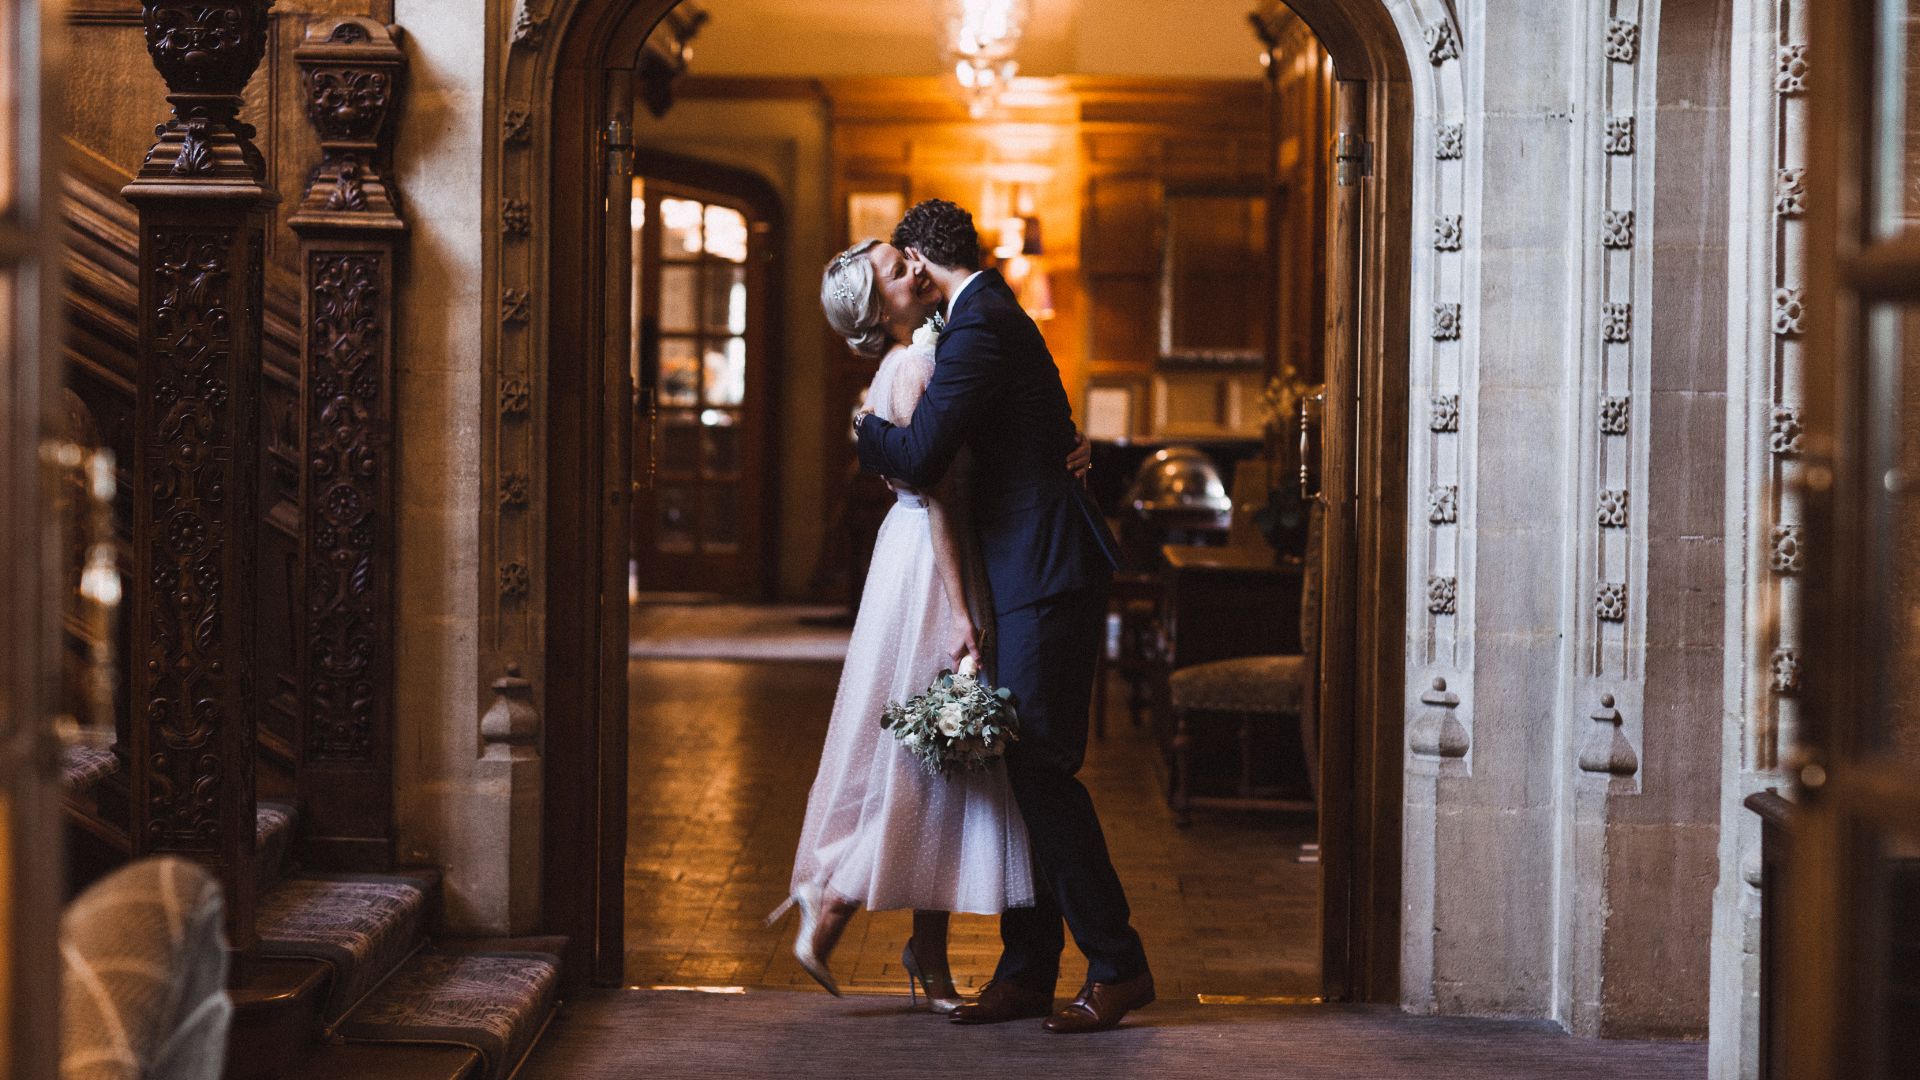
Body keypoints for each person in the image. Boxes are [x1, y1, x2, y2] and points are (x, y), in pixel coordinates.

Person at [855, 199, 1153, 1034]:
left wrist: (863, 428)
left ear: (917, 257)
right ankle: (1028, 971)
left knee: (1040, 768)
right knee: (1022, 766)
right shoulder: (977, 316)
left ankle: (1120, 964)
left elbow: (920, 456)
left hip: (1044, 568)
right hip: (1023, 563)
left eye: (896, 266)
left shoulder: (980, 322)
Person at [772, 237, 1090, 1012]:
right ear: (881, 307)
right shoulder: (915, 366)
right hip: (934, 569)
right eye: (895, 267)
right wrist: (961, 614)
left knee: (941, 747)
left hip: (925, 559)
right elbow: (942, 495)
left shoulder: (919, 356)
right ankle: (835, 898)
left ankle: (925, 947)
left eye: (906, 257)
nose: (914, 265)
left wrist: (1054, 451)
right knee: (929, 752)